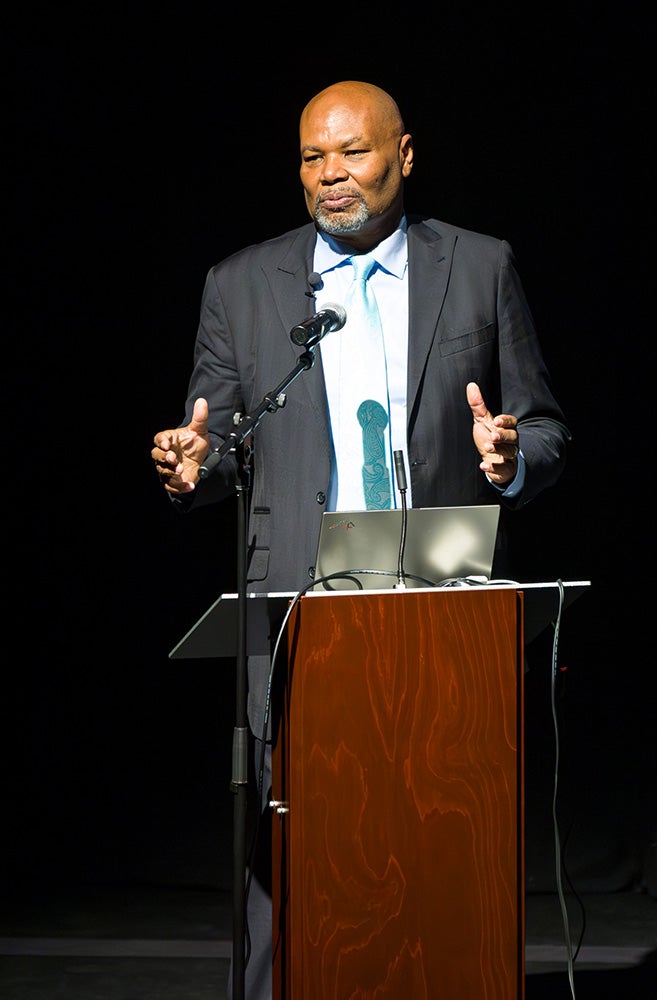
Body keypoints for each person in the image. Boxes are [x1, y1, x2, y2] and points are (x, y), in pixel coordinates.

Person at [151, 79, 570, 999]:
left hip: (441, 605)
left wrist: (508, 460)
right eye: (311, 157)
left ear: (405, 155)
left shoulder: (480, 265)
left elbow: (541, 429)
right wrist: (193, 464)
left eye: (352, 152)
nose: (330, 175)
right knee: (292, 865)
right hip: (298, 609)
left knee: (441, 847)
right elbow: (217, 437)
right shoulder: (240, 284)